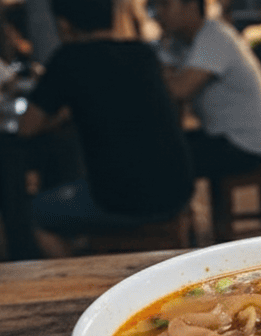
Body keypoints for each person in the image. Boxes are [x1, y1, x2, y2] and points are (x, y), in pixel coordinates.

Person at [18, 0, 194, 255]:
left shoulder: (67, 59)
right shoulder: (143, 53)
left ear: (64, 24)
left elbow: (27, 127)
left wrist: (62, 116)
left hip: (120, 201)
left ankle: (75, 279)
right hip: (178, 190)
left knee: (37, 213)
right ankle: (87, 245)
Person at [152, 0, 261, 179]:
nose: (157, 13)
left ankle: (178, 207)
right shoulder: (179, 42)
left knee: (160, 159)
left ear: (192, 6)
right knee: (157, 149)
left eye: (165, 5)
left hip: (243, 145)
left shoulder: (215, 36)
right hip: (218, 137)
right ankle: (182, 207)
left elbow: (179, 90)